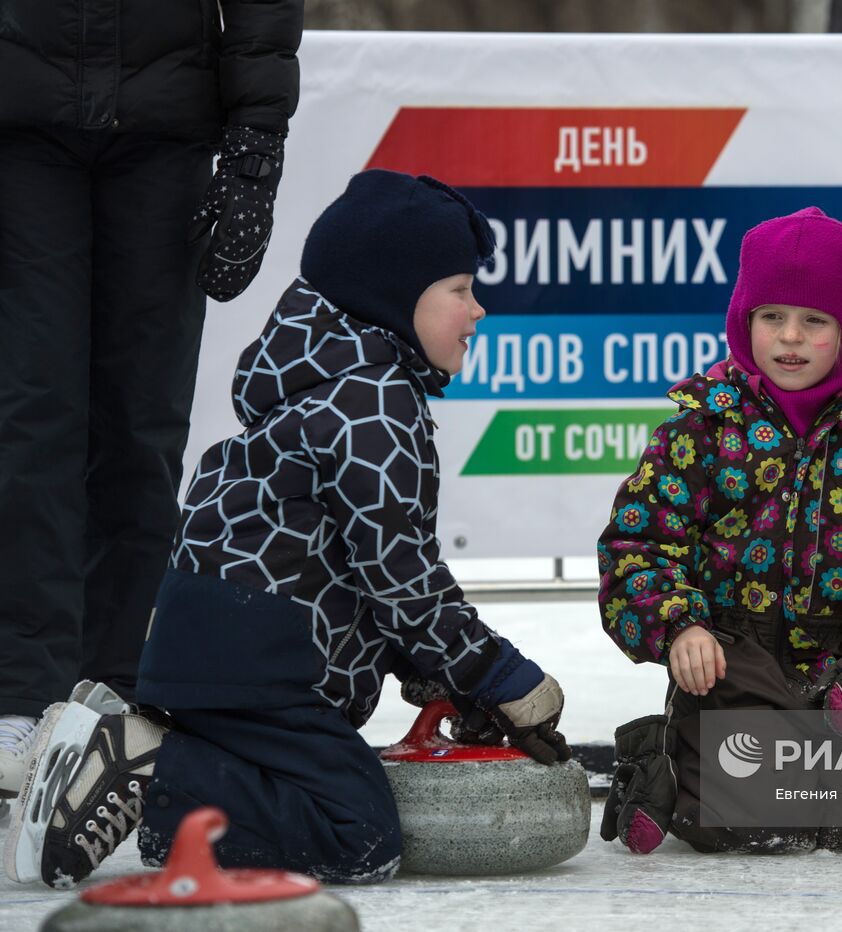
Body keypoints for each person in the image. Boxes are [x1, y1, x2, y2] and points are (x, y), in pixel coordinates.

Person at [4, 170, 571, 889]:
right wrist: (502, 677)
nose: (478, 310)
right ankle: (145, 761)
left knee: (310, 793)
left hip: (224, 646)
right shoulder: (375, 405)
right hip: (266, 661)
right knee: (356, 830)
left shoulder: (329, 385)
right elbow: (403, 579)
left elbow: (354, 571)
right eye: (459, 289)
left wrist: (439, 678)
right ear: (393, 295)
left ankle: (157, 782)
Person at [0, 1, 304, 803]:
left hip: (166, 123)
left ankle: (114, 695)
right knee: (32, 416)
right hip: (19, 117)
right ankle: (21, 696)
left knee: (142, 425)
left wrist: (253, 150)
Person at [596, 207, 842, 854]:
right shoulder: (701, 433)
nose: (790, 337)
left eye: (814, 321)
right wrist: (678, 622)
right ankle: (656, 766)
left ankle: (724, 776)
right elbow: (640, 542)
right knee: (757, 809)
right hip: (733, 666)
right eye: (772, 317)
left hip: (840, 680)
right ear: (745, 322)